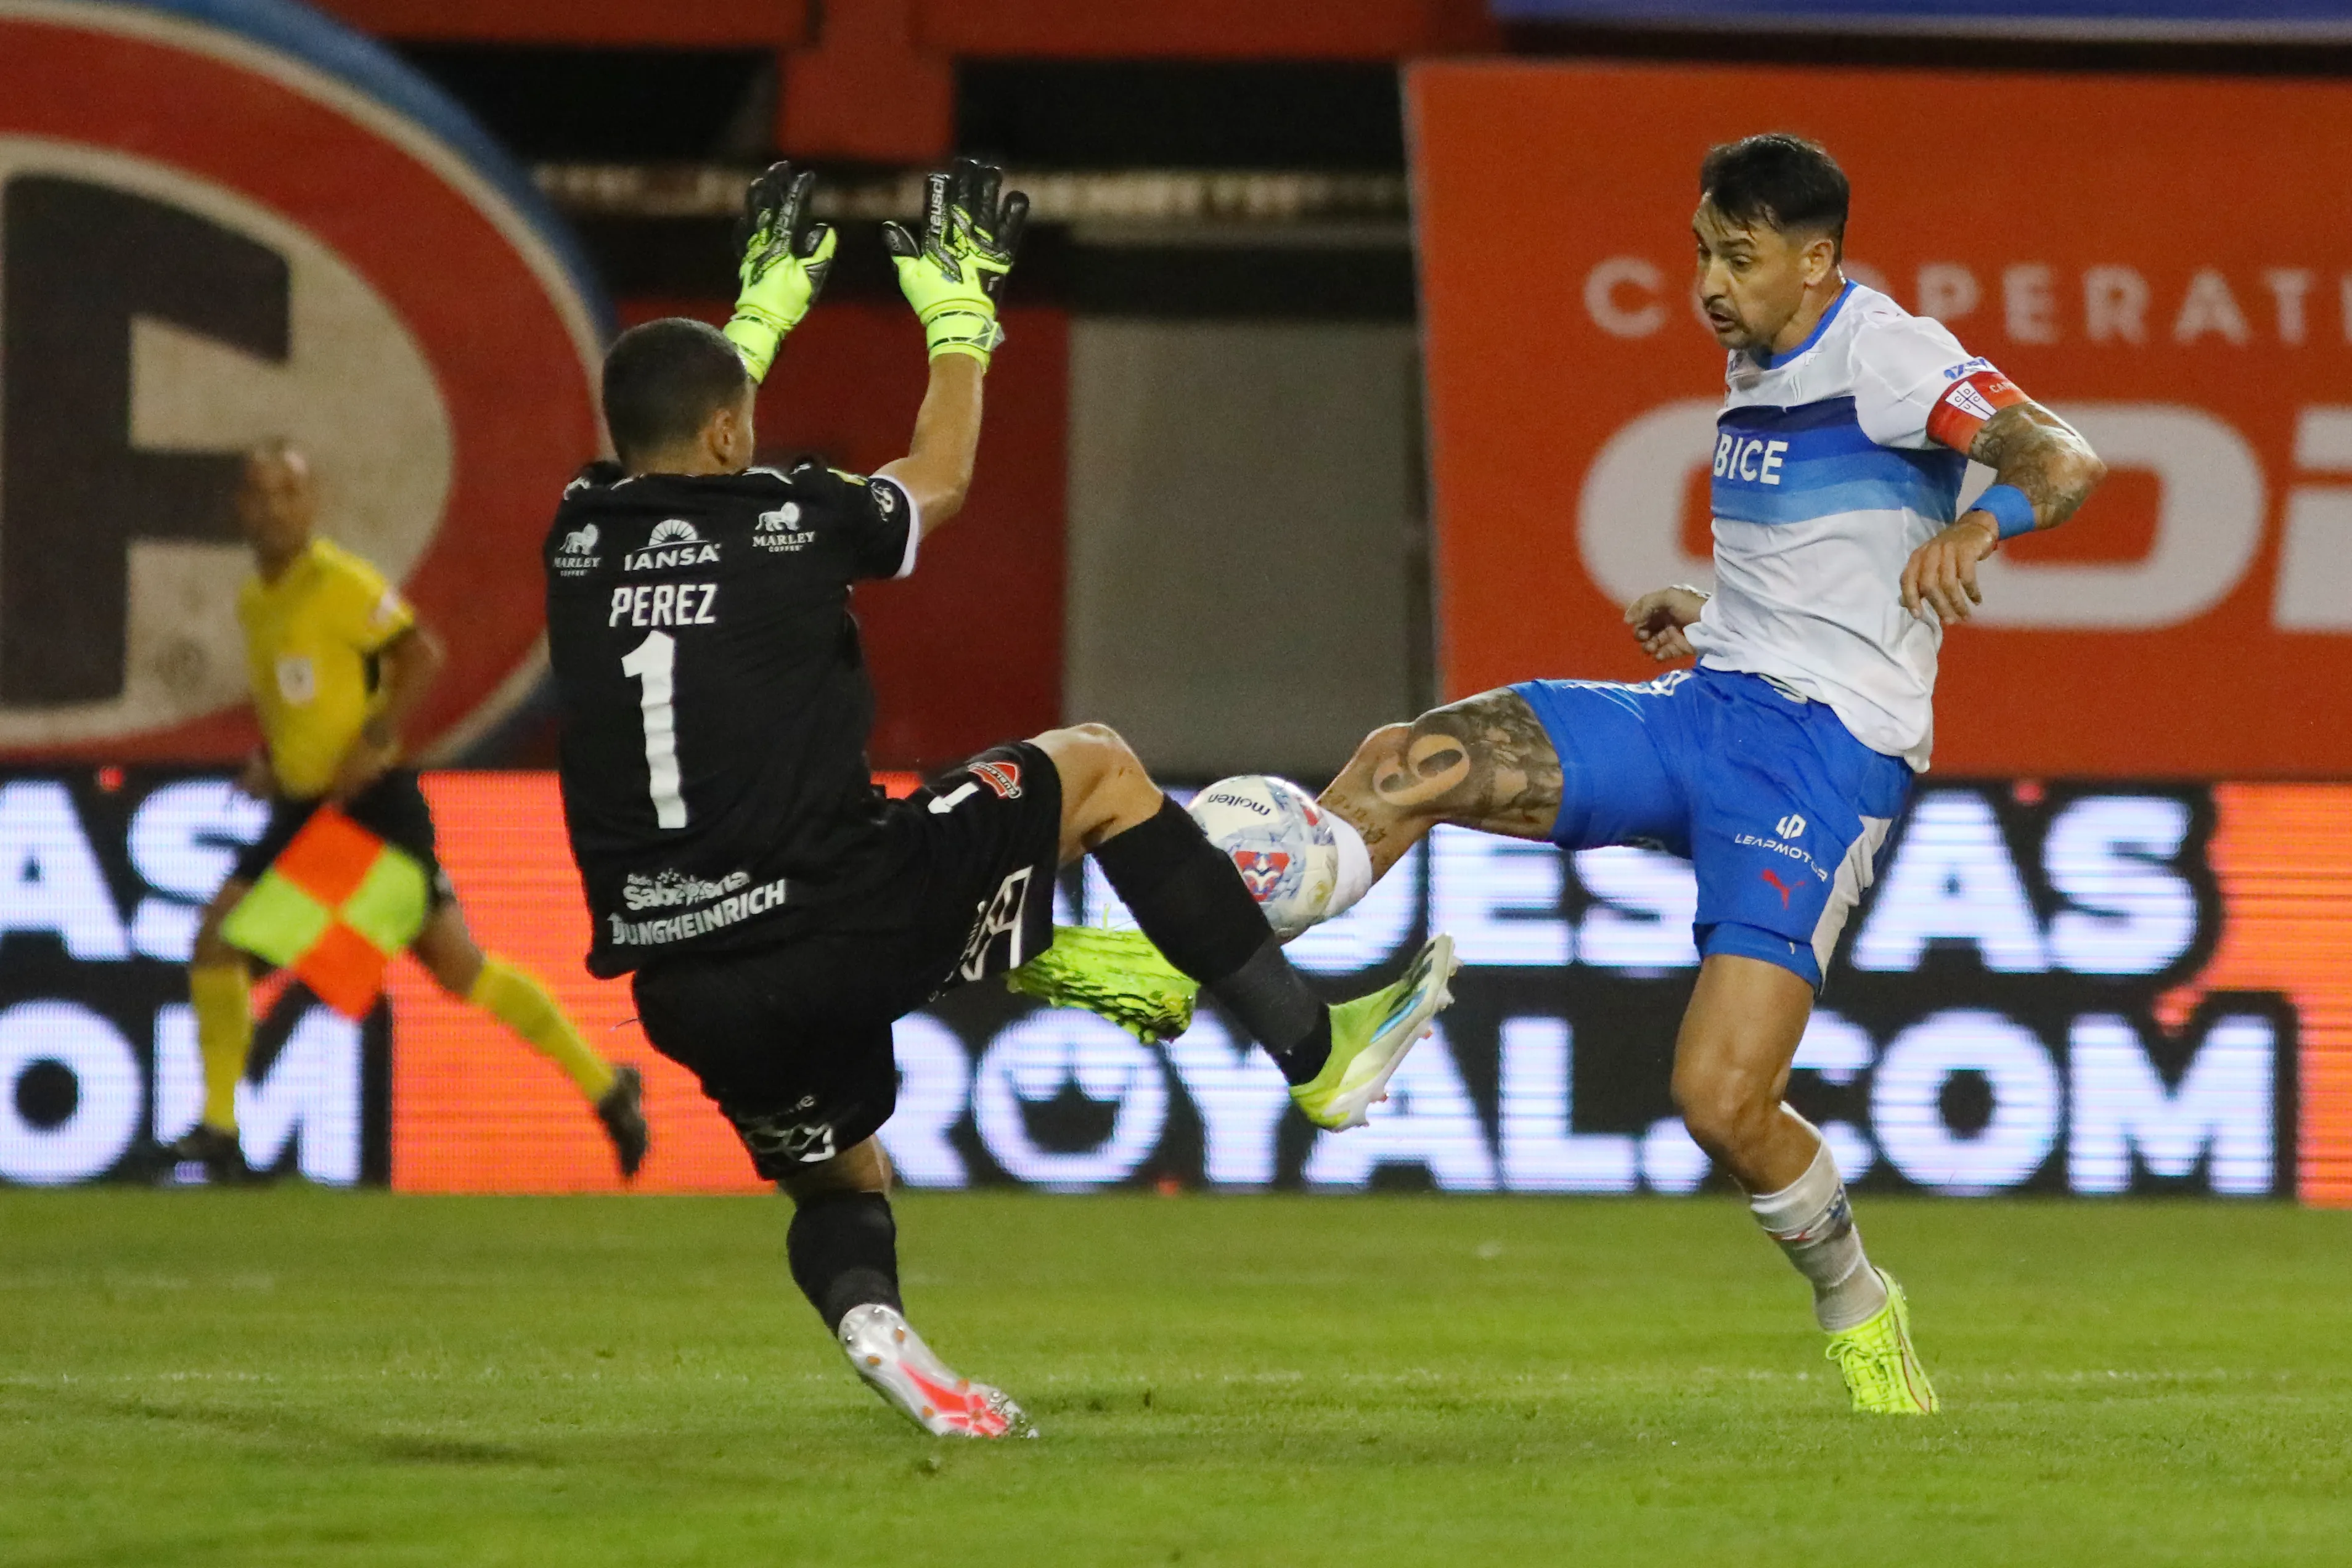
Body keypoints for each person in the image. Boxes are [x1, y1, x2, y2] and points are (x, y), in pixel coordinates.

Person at [541, 159, 1456, 1438]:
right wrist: (960, 318)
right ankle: (1315, 1048)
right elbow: (942, 475)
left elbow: (684, 436)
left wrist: (760, 312)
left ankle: (879, 1327)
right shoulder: (796, 519)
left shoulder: (577, 535)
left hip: (687, 983)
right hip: (839, 914)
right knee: (1097, 766)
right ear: (735, 436)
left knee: (841, 1182)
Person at [1302, 134, 2106, 1413]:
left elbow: (2060, 458)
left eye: (1739, 257)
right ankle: (1267, 1001)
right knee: (1409, 761)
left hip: (1820, 760)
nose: (1710, 285)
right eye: (1701, 255)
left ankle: (1859, 1302)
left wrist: (1978, 522)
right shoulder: (1761, 360)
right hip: (1705, 710)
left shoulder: (1888, 351)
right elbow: (1821, 560)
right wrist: (1715, 607)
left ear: (1818, 259)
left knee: (1723, 1103)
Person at [166, 443, 650, 1183]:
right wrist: (271, 759)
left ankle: (221, 1128)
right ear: (239, 507)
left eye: (288, 494)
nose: (273, 510)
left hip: (368, 810)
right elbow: (302, 701)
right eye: (259, 495)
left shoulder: (339, 582)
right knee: (459, 969)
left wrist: (378, 738)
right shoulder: (256, 599)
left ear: (312, 503)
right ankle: (608, 1087)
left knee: (226, 944)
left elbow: (421, 652)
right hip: (305, 807)